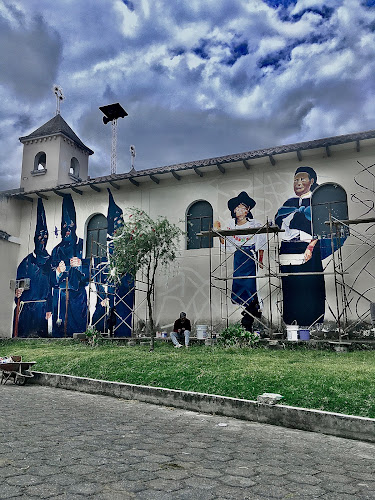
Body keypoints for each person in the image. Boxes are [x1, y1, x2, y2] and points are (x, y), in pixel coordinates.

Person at [275, 167, 325, 327]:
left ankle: (313, 323)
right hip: (288, 248)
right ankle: (291, 324)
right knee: (291, 286)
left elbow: (320, 227)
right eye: (296, 180)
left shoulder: (317, 201)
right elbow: (279, 222)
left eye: (302, 179)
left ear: (312, 181)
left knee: (309, 284)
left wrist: (311, 246)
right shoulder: (288, 204)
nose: (298, 183)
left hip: (308, 247)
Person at [213, 192, 266, 316]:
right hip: (239, 256)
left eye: (242, 208)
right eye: (237, 208)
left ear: (248, 210)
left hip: (250, 255)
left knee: (250, 282)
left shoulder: (255, 224)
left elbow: (262, 242)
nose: (239, 210)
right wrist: (219, 231)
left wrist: (260, 259)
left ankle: (252, 305)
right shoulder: (231, 225)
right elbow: (226, 243)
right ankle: (243, 307)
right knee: (238, 280)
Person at [49, 194, 89, 337]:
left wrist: (80, 266)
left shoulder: (84, 245)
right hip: (60, 299)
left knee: (78, 332)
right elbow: (50, 278)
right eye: (64, 226)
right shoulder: (56, 250)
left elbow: (92, 270)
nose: (67, 229)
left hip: (77, 298)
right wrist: (58, 271)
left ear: (75, 226)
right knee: (59, 334)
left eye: (70, 225)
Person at [13, 198, 52, 337]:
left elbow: (52, 287)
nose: (43, 238)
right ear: (35, 237)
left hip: (42, 310)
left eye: (45, 235)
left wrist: (49, 308)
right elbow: (17, 287)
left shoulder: (51, 261)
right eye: (40, 235)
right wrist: (17, 293)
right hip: (26, 310)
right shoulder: (25, 263)